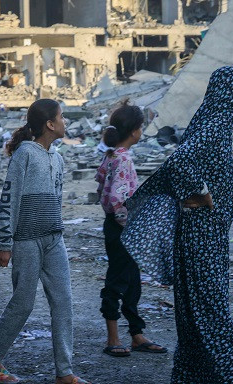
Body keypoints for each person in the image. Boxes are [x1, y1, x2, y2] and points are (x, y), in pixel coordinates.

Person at [127, 66, 233, 383]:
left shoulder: (209, 124)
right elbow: (179, 162)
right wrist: (201, 195)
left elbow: (210, 170)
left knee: (194, 316)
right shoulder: (214, 126)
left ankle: (189, 376)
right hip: (203, 240)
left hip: (199, 238)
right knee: (213, 315)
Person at [0, 99, 90, 384]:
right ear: (50, 124)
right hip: (26, 241)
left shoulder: (58, 158)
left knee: (63, 303)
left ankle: (65, 373)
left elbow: (56, 199)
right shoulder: (25, 154)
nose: (66, 122)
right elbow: (9, 198)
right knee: (23, 303)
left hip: (54, 239)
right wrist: (4, 243)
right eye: (62, 118)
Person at [95, 101, 167, 357]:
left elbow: (100, 188)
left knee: (133, 281)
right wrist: (134, 225)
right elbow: (117, 201)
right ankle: (113, 337)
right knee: (117, 280)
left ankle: (137, 334)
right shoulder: (122, 158)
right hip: (122, 229)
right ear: (135, 131)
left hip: (117, 227)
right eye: (141, 127)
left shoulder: (112, 154)